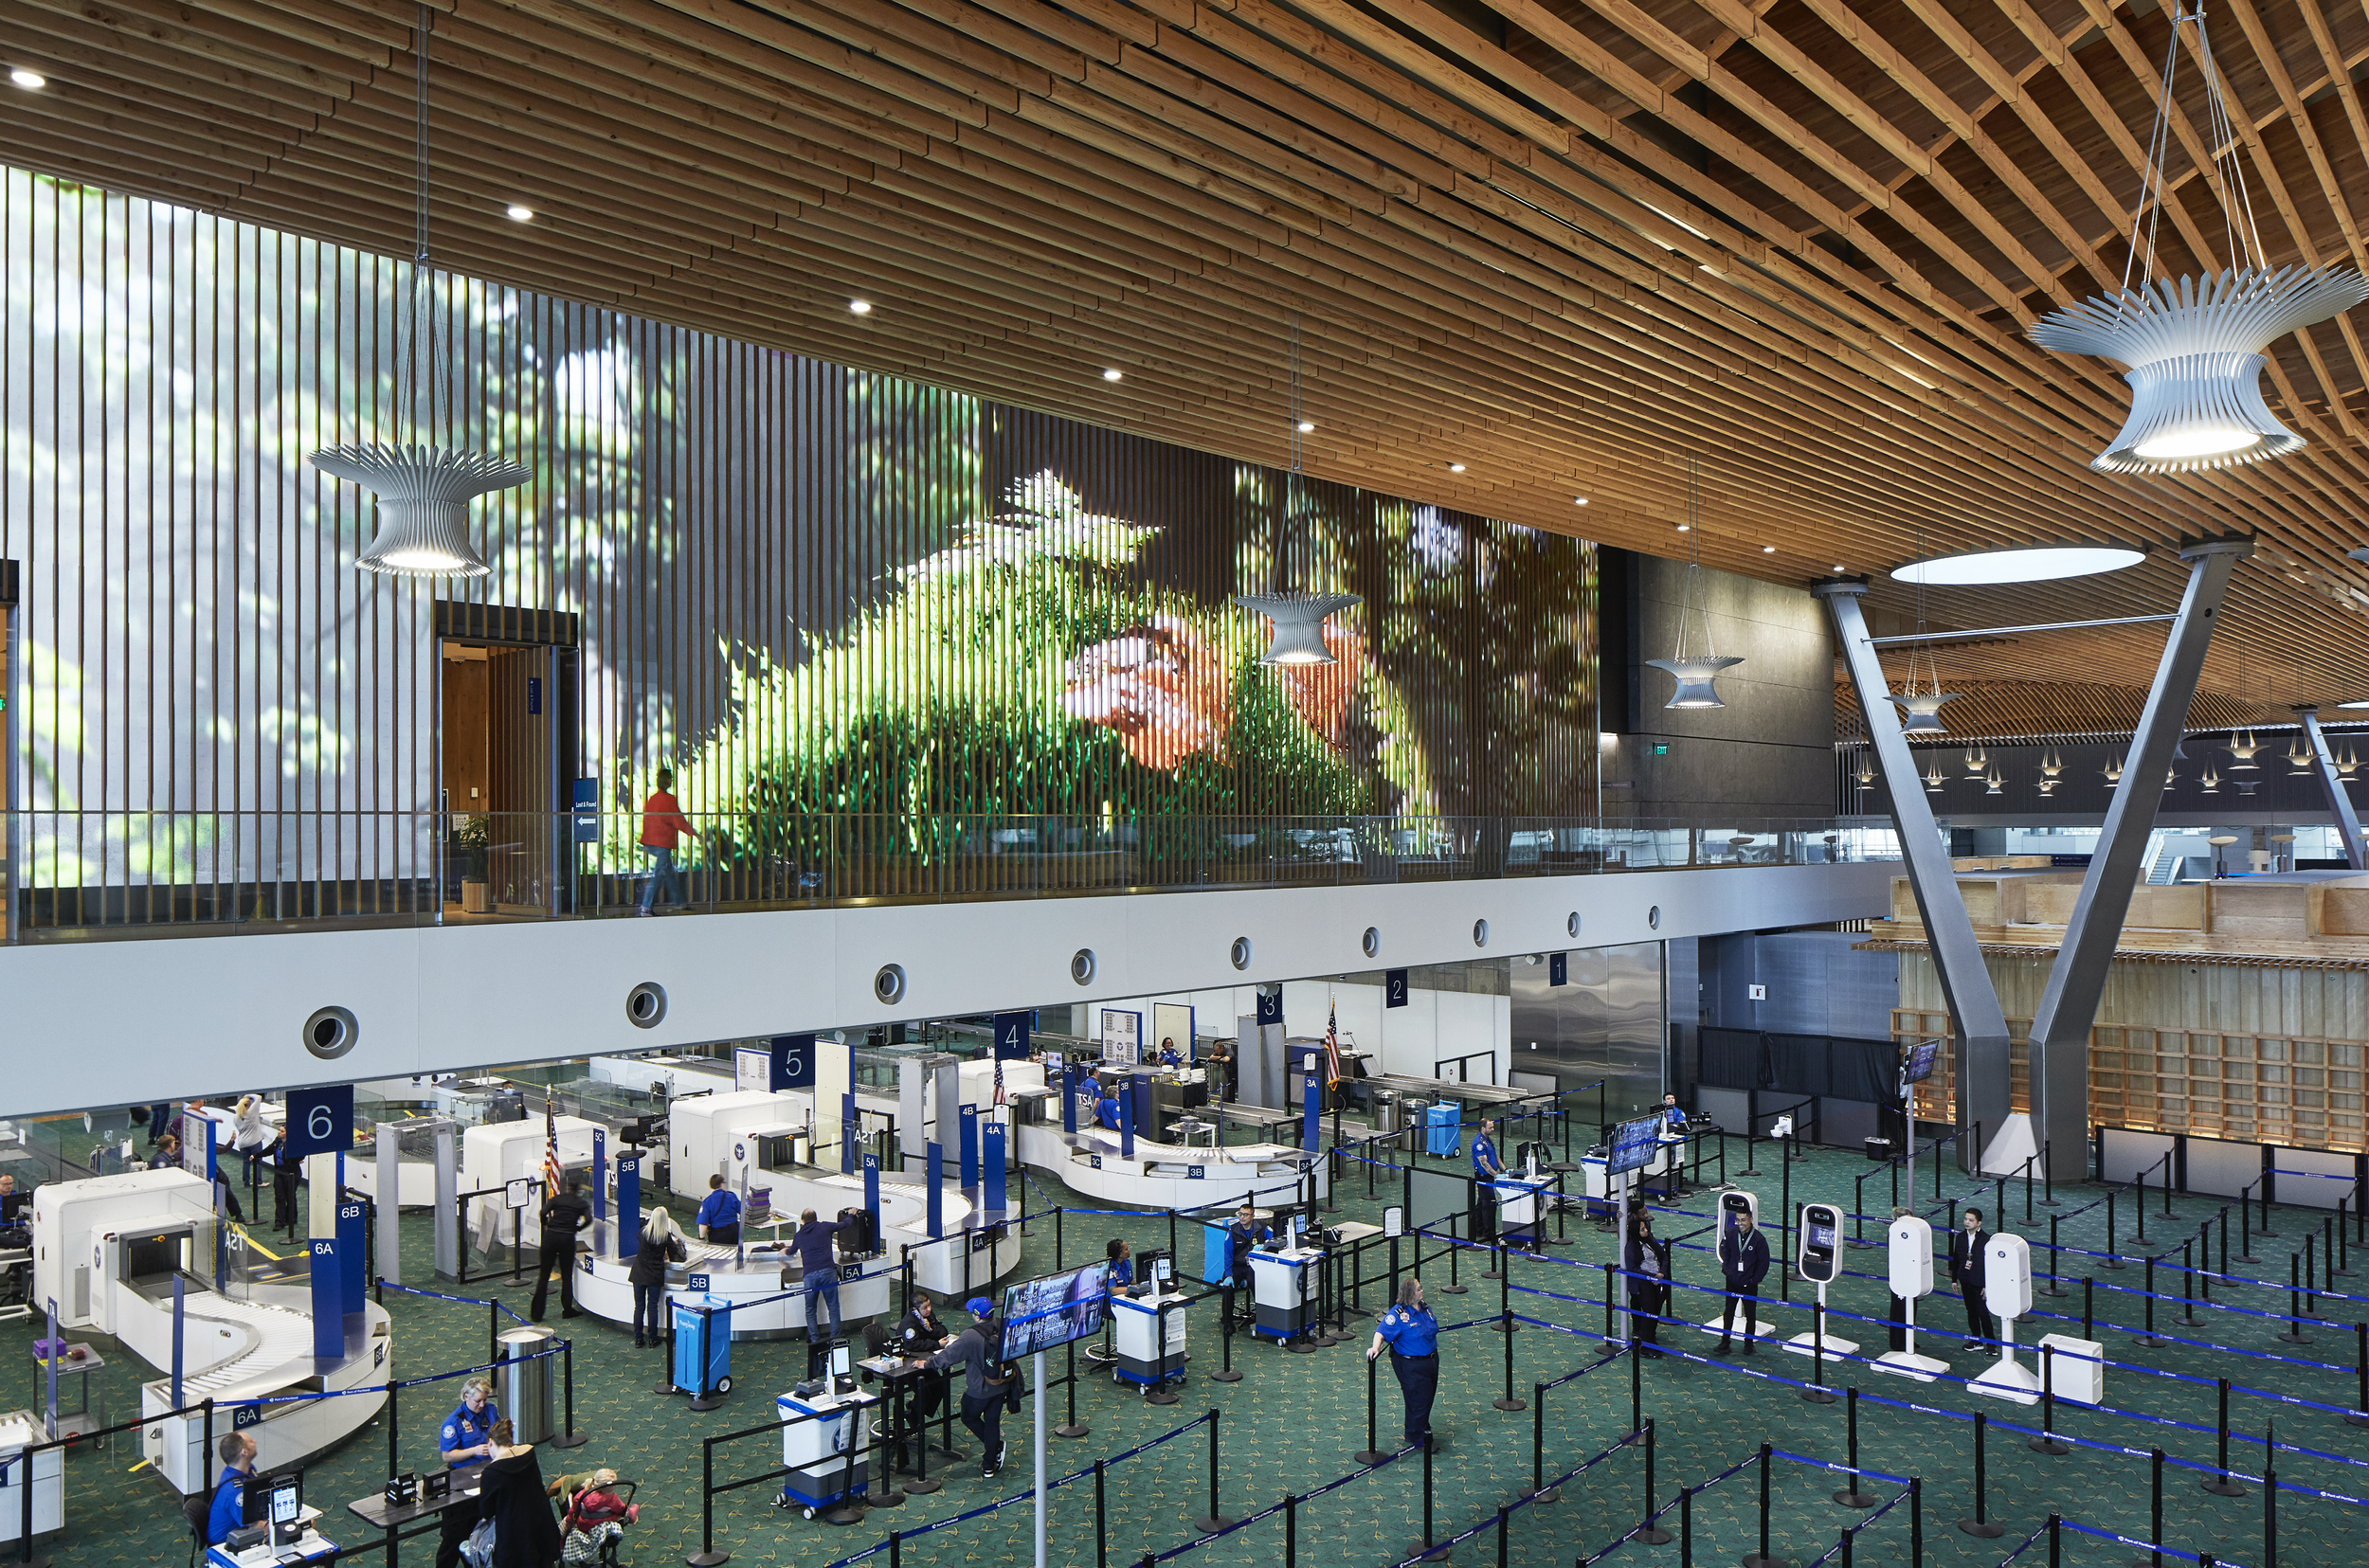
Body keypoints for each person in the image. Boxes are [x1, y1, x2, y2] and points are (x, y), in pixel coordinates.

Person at [922, 1297, 1009, 1479]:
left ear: (977, 1317)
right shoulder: (1002, 1324)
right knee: (992, 1421)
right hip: (1002, 1384)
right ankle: (989, 1465)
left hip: (980, 1389)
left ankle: (993, 1451)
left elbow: (949, 1356)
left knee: (968, 1416)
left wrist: (926, 1364)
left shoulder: (971, 1336)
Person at [473, 1418, 562, 1568]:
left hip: (515, 1536)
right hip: (542, 1524)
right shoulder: (529, 1454)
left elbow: (486, 1512)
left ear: (490, 1443)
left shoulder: (491, 1473)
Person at [434, 1378, 501, 1568]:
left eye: (484, 1400)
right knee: (454, 1536)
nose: (482, 1405)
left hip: (487, 1475)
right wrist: (474, 1451)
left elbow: (498, 1435)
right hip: (462, 1480)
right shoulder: (453, 1422)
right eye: (478, 1400)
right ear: (465, 1397)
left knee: (485, 1529)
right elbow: (447, 1456)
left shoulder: (490, 1411)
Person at [1367, 1277, 1440, 1448]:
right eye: (1418, 1290)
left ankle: (1420, 1429)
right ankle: (1418, 1437)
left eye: (1421, 1288)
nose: (1422, 1291)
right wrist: (1375, 1348)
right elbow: (1381, 1332)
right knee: (1418, 1400)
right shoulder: (1397, 1314)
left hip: (1430, 1359)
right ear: (1409, 1294)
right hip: (1410, 1365)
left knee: (1427, 1398)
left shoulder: (1423, 1307)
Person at [530, 1175, 592, 1322]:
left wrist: (546, 1224)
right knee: (566, 1276)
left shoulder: (557, 1199)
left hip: (550, 1236)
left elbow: (543, 1212)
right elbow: (589, 1219)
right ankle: (567, 1309)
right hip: (567, 1238)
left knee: (544, 1275)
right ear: (579, 1189)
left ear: (567, 1187)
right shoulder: (581, 1203)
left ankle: (537, 1314)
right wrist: (578, 1228)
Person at [790, 1207, 855, 1345]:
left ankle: (814, 1339)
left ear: (802, 1220)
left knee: (810, 1309)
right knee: (833, 1306)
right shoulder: (825, 1227)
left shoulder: (799, 1235)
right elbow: (844, 1225)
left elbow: (791, 1251)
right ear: (816, 1218)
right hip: (828, 1272)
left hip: (809, 1275)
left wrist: (784, 1250)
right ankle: (835, 1337)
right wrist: (850, 1215)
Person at [636, 768, 693, 914]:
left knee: (668, 873)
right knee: (658, 876)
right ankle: (646, 907)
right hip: (663, 843)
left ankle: (679, 902)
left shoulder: (653, 798)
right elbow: (678, 820)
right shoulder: (669, 799)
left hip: (651, 842)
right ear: (668, 781)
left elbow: (647, 820)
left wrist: (646, 842)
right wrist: (694, 834)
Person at [630, 1207, 688, 1349]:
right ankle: (652, 1338)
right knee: (652, 1307)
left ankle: (638, 1338)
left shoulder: (642, 1233)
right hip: (654, 1275)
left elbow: (640, 1238)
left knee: (639, 1307)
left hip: (638, 1274)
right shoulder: (665, 1236)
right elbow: (676, 1255)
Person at [1715, 1207, 1770, 1353]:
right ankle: (1725, 1342)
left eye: (1743, 1220)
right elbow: (1726, 1252)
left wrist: (1754, 1280)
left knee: (1750, 1314)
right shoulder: (1731, 1233)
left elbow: (1764, 1263)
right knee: (1728, 1311)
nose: (1740, 1223)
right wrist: (1726, 1269)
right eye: (1738, 1220)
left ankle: (1748, 1344)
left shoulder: (1759, 1239)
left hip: (1749, 1284)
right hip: (1732, 1280)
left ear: (1751, 1219)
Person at [1625, 1209, 1672, 1358]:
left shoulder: (1650, 1240)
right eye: (1642, 1229)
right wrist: (1651, 1276)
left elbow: (1663, 1256)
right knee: (1649, 1312)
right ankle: (1645, 1347)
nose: (1646, 1231)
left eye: (1646, 1228)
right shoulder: (1631, 1247)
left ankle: (1651, 1338)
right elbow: (1633, 1269)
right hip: (1643, 1284)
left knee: (1655, 1312)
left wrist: (1661, 1273)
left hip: (1659, 1280)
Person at [1950, 1206, 1996, 1352]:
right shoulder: (1961, 1237)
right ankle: (1976, 1339)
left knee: (1983, 1312)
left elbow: (1989, 1265)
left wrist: (1987, 1285)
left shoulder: (1986, 1240)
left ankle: (1991, 1344)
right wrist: (1954, 1279)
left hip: (1979, 1282)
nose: (1967, 1222)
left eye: (1971, 1220)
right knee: (1971, 1311)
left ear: (1979, 1223)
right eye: (1965, 1219)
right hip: (1965, 1279)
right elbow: (1956, 1259)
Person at [1221, 1204, 1271, 1331]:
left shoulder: (1263, 1228)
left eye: (1245, 1215)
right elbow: (1228, 1254)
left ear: (1252, 1216)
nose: (1242, 1217)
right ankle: (1227, 1321)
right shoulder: (1233, 1231)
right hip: (1238, 1266)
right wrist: (1229, 1274)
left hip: (1255, 1266)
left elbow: (1274, 1241)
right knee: (1227, 1289)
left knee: (1259, 1287)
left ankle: (1264, 1319)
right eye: (1240, 1214)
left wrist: (1264, 1245)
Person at [205, 1432, 257, 1544]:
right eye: (251, 1442)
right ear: (245, 1452)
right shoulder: (235, 1491)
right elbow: (258, 1527)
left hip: (239, 1531)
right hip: (224, 1545)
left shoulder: (247, 1470)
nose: (255, 1442)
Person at [1886, 1206, 1914, 1353]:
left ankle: (1908, 1338)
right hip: (1899, 1276)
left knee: (1910, 1309)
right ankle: (1897, 1342)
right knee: (1899, 1310)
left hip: (1911, 1275)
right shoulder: (1895, 1233)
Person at [1471, 1119, 1505, 1243]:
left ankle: (1477, 1229)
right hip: (1484, 1177)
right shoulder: (1478, 1144)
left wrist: (1505, 1170)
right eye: (1490, 1127)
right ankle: (1489, 1233)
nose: (1493, 1129)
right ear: (1483, 1128)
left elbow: (1495, 1156)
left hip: (1489, 1176)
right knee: (1489, 1204)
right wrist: (1496, 1175)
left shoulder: (1487, 1140)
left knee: (1482, 1203)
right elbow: (1484, 1163)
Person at [230, 1094, 271, 1188]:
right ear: (248, 1105)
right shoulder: (251, 1113)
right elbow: (258, 1097)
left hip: (242, 1143)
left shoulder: (236, 1117)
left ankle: (246, 1182)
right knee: (257, 1161)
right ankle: (259, 1181)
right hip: (254, 1141)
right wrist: (248, 1095)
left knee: (246, 1162)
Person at [268, 1128, 301, 1235]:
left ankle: (292, 1218)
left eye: (282, 1131)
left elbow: (301, 1153)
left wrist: (296, 1160)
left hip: (291, 1173)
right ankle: (279, 1221)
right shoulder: (277, 1141)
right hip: (279, 1172)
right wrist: (257, 1155)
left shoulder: (293, 1143)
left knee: (290, 1196)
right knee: (279, 1197)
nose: (279, 1132)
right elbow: (269, 1150)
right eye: (279, 1130)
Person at [696, 1173, 741, 1245]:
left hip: (718, 1234)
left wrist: (702, 1238)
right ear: (722, 1184)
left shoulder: (708, 1201)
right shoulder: (731, 1196)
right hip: (733, 1231)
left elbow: (703, 1223)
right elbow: (742, 1210)